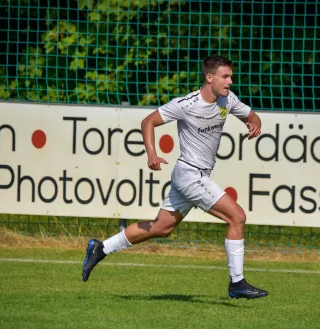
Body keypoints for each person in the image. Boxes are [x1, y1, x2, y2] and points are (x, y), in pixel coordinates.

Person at [81, 55, 268, 300]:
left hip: (190, 176)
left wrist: (255, 123)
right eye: (225, 76)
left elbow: (252, 116)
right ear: (209, 78)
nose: (230, 81)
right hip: (191, 175)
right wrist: (152, 153)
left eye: (231, 76)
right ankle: (237, 283)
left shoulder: (227, 99)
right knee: (237, 217)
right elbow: (148, 121)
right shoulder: (186, 104)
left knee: (162, 227)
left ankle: (101, 247)